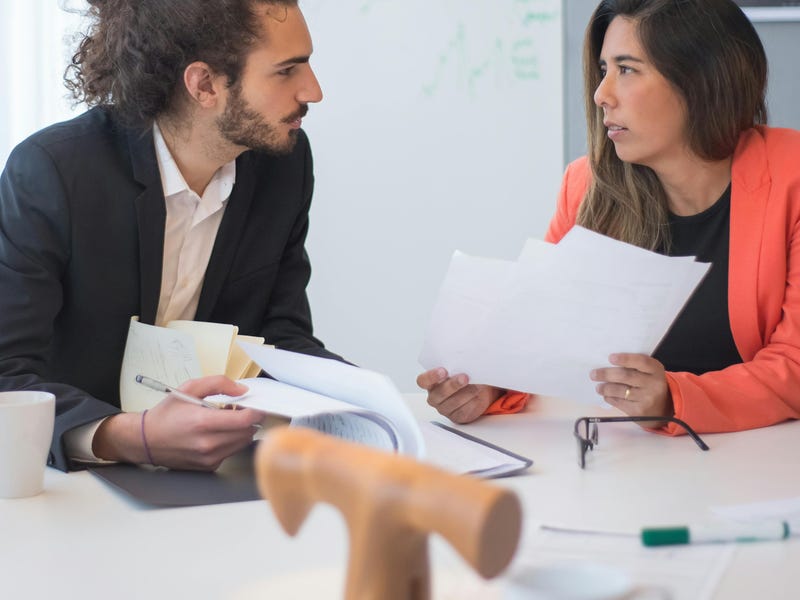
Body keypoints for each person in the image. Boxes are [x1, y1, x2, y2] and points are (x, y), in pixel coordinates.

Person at [418, 0, 800, 436]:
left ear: (702, 80)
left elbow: (793, 366)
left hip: (766, 462)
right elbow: (540, 336)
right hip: (626, 466)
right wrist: (487, 385)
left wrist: (673, 399)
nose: (602, 93)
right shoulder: (584, 185)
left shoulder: (792, 176)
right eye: (603, 69)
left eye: (627, 69)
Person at [0, 0, 342, 472]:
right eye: (287, 71)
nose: (314, 91)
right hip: (65, 484)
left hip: (209, 482)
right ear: (204, 84)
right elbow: (7, 372)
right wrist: (130, 437)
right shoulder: (55, 171)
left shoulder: (283, 164)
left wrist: (375, 405)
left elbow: (281, 338)